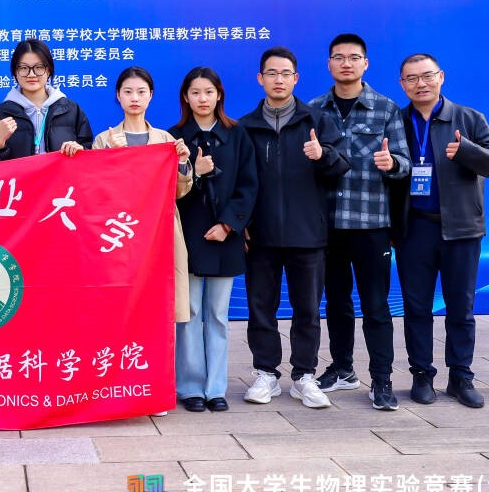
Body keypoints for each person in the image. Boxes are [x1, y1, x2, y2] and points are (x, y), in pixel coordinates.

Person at [238, 48, 348, 408]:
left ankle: (304, 376)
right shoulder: (245, 127)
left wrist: (323, 155)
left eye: (286, 73)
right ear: (260, 79)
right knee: (260, 308)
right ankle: (265, 374)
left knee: (307, 310)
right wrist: (242, 223)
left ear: (296, 79)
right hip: (261, 235)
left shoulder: (316, 121)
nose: (279, 80)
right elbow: (238, 182)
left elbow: (341, 168)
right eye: (271, 73)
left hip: (307, 233)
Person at [393, 54, 489, 408]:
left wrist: (466, 151)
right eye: (412, 79)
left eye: (427, 76)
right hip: (415, 229)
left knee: (461, 307)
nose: (421, 84)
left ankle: (461, 376)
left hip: (462, 229)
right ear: (402, 84)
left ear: (441, 77)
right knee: (416, 307)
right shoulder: (396, 122)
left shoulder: (470, 118)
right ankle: (421, 374)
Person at [309, 34, 411, 411]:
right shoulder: (313, 110)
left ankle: (381, 379)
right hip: (328, 225)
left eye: (354, 57)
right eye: (339, 57)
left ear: (365, 63)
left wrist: (393, 163)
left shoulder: (386, 109)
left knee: (376, 305)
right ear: (329, 64)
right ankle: (342, 368)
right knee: (336, 303)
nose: (346, 63)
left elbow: (405, 163)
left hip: (371, 224)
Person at [92, 67, 193, 416]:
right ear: (118, 96)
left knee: (158, 314)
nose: (134, 98)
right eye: (128, 92)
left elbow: (179, 191)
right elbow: (98, 192)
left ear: (151, 96)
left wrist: (183, 164)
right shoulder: (104, 140)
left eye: (141, 92)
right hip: (120, 239)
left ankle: (155, 389)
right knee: (120, 312)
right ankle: (117, 384)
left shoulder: (166, 140)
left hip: (158, 237)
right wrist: (114, 158)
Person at [168, 67, 257, 414]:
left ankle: (216, 387)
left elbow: (249, 186)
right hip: (188, 236)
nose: (202, 99)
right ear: (185, 98)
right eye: (195, 92)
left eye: (208, 92)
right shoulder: (174, 138)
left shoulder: (238, 135)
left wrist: (228, 225)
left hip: (225, 237)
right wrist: (194, 172)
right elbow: (168, 192)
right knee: (189, 312)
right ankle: (190, 386)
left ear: (219, 94)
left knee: (218, 314)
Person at [0, 38, 93, 160]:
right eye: (24, 68)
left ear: (48, 70)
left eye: (39, 67)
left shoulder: (71, 111)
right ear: (15, 72)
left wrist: (80, 150)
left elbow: (89, 156)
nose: (31, 74)